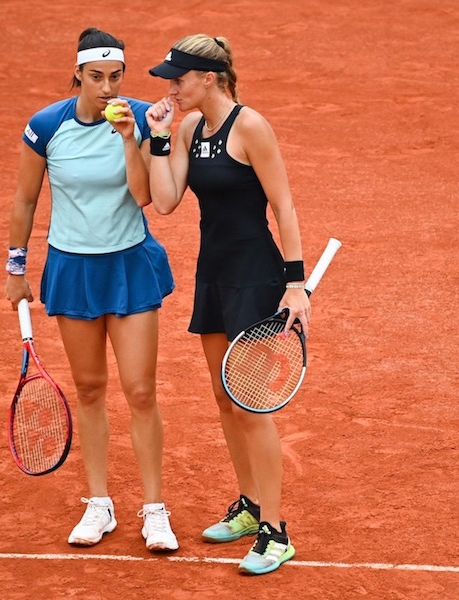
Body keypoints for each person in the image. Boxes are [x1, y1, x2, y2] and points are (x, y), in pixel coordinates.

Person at [4, 27, 178, 553]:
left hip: (129, 264)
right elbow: (25, 200)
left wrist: (132, 136)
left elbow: (145, 196)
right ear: (78, 73)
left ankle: (155, 511)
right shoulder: (46, 126)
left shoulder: (141, 118)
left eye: (116, 77)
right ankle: (99, 504)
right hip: (72, 269)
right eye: (96, 77)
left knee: (141, 392)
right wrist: (17, 268)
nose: (107, 87)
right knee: (90, 390)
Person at [145, 34, 310, 575]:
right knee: (223, 397)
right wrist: (159, 138)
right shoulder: (192, 127)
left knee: (251, 405)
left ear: (209, 78)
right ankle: (249, 505)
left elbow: (284, 206)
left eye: (180, 78)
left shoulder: (251, 127)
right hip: (213, 276)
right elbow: (165, 202)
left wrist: (295, 284)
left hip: (256, 278)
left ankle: (276, 530)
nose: (172, 88)